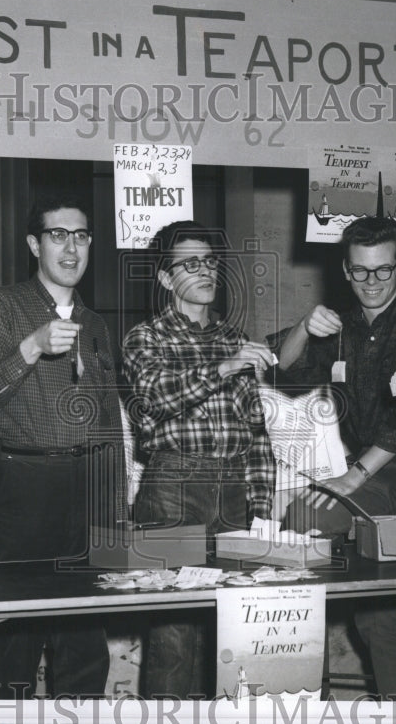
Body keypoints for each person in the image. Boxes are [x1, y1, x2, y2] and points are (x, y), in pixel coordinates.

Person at [270, 216, 396, 700]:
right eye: (359, 272)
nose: (371, 283)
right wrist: (303, 328)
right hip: (367, 477)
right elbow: (284, 376)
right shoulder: (338, 324)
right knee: (378, 614)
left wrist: (350, 479)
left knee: (307, 515)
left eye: (382, 270)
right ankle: (318, 697)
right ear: (345, 270)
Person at [0, 196, 125, 699]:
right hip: (24, 485)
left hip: (88, 489)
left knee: (85, 639)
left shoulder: (97, 324)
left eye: (81, 236)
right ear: (36, 244)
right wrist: (32, 346)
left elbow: (108, 425)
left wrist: (114, 511)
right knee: (16, 636)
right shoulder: (1, 305)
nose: (72, 247)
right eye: (59, 235)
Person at [122, 220, 277, 698]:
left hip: (233, 490)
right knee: (173, 636)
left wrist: (264, 509)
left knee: (234, 633)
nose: (205, 271)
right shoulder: (144, 338)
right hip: (173, 488)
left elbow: (256, 432)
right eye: (190, 264)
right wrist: (226, 366)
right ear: (167, 279)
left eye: (209, 262)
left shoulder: (235, 337)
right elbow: (155, 394)